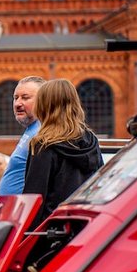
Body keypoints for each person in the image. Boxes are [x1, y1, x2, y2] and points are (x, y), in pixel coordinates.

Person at [23, 78, 102, 227]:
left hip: (51, 232)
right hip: (85, 227)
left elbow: (33, 198)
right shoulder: (91, 141)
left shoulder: (43, 144)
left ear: (44, 106)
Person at [0, 76, 45, 195]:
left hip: (22, 210)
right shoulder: (32, 129)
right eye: (15, 98)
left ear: (43, 100)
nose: (18, 103)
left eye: (25, 98)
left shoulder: (43, 132)